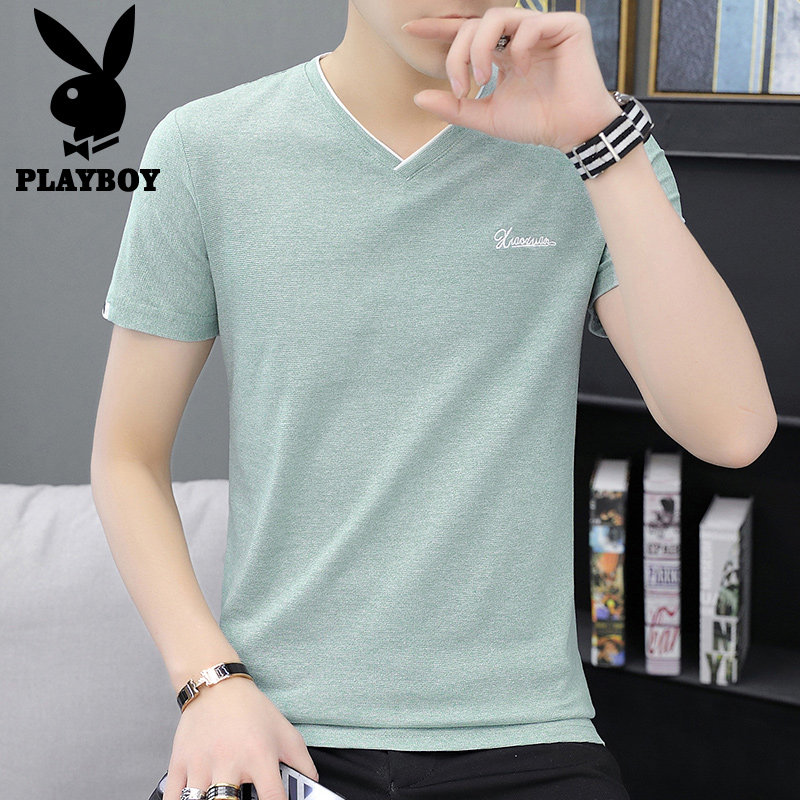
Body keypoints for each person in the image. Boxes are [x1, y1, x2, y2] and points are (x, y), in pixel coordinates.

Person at [92, 2, 776, 800]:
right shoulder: (205, 148)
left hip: (528, 737)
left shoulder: (597, 148)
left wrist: (598, 140)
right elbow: (128, 457)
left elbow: (733, 430)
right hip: (277, 730)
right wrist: (209, 683)